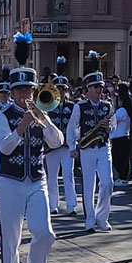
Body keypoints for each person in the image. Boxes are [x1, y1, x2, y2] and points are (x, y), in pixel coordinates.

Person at [0, 40, 64, 263]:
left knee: (45, 233)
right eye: (20, 90)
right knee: (10, 240)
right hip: (10, 181)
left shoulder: (41, 112)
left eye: (29, 89)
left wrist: (43, 120)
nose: (25, 94)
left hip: (37, 179)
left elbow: (57, 142)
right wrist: (21, 127)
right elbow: (4, 147)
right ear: (12, 93)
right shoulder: (3, 116)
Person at [67, 51, 116, 232]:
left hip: (103, 147)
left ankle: (102, 217)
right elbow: (72, 127)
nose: (99, 90)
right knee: (89, 185)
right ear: (88, 89)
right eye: (95, 87)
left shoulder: (107, 106)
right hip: (87, 148)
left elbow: (114, 127)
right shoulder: (80, 106)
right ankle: (89, 220)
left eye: (100, 87)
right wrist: (72, 146)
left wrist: (107, 127)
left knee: (107, 182)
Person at [44, 57, 77, 213]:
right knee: (52, 177)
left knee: (68, 176)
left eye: (63, 89)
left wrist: (73, 142)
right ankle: (53, 204)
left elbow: (77, 125)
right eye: (58, 89)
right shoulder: (48, 106)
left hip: (67, 146)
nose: (61, 92)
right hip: (52, 147)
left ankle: (71, 205)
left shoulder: (72, 106)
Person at [111, 82, 132, 188]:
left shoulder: (121, 111)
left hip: (119, 137)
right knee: (122, 158)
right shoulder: (126, 110)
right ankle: (123, 177)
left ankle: (122, 178)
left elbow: (113, 119)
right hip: (123, 137)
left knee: (119, 159)